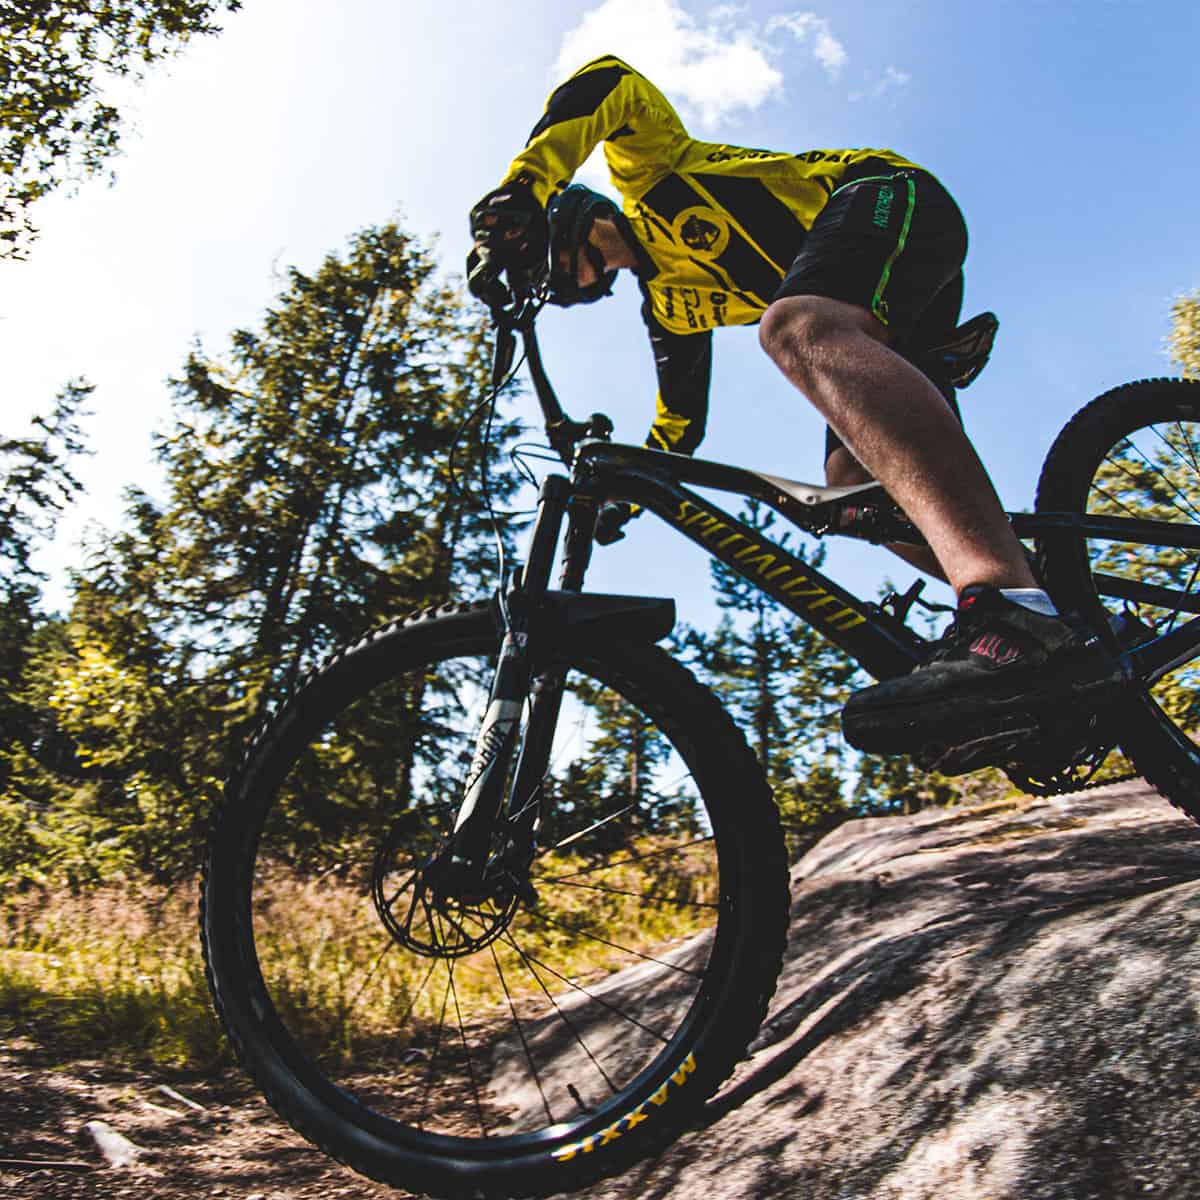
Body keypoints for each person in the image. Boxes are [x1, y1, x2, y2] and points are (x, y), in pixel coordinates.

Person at [468, 54, 1124, 768]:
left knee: (794, 329)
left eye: (552, 268)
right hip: (882, 312)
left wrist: (526, 184)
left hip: (884, 195)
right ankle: (1067, 614)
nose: (564, 284)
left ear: (569, 224)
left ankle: (1006, 611)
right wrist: (623, 505)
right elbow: (680, 423)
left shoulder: (648, 169)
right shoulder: (672, 308)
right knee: (853, 486)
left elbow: (607, 82)